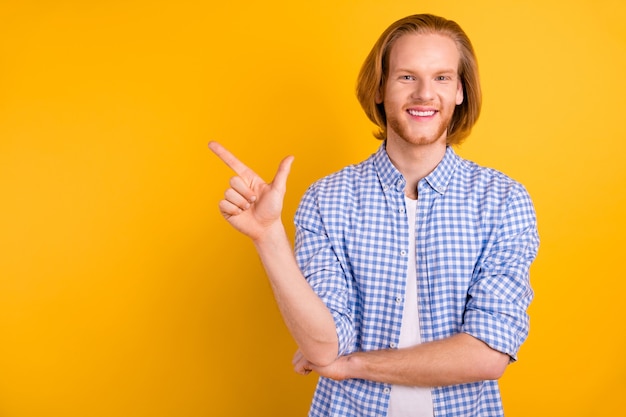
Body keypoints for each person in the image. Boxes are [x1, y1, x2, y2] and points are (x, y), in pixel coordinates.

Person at [209, 13, 539, 417]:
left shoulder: (504, 201)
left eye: (441, 78)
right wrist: (268, 237)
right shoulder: (326, 199)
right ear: (380, 88)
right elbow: (324, 345)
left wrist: (352, 365)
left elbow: (487, 354)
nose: (424, 93)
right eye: (406, 77)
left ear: (460, 92)